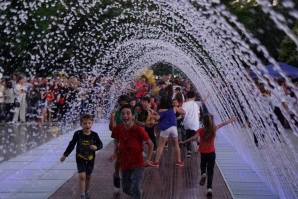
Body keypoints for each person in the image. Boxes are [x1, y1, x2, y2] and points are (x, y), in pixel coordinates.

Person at [179, 114, 236, 196]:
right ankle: (209, 188)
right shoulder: (213, 129)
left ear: (204, 122)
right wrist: (232, 119)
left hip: (203, 153)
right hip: (212, 153)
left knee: (203, 166)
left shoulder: (200, 130)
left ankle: (203, 174)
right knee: (211, 171)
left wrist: (183, 142)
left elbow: (193, 138)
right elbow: (224, 123)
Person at [108, 104, 153, 199]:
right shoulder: (119, 129)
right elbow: (116, 138)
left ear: (133, 116)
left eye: (128, 113)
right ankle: (137, 193)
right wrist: (114, 153)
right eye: (123, 114)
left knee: (136, 185)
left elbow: (151, 144)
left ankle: (137, 194)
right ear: (120, 116)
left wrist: (148, 159)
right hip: (125, 163)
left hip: (138, 163)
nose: (125, 116)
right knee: (126, 189)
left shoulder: (138, 130)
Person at [60, 114, 103, 199]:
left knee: (88, 176)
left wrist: (96, 147)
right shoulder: (78, 134)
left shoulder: (94, 135)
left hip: (91, 158)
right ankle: (82, 195)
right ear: (81, 124)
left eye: (89, 123)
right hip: (80, 158)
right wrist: (65, 155)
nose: (87, 125)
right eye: (85, 123)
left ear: (92, 123)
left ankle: (86, 191)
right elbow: (71, 144)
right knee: (82, 176)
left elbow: (100, 144)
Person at [148, 96, 186, 167]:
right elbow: (184, 112)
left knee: (161, 146)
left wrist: (150, 115)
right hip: (173, 128)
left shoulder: (160, 110)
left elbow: (158, 117)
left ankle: (156, 162)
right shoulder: (173, 109)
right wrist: (176, 107)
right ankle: (179, 161)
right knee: (176, 144)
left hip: (165, 129)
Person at [182, 91, 210, 158]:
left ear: (186, 96)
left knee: (188, 137)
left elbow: (183, 114)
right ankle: (195, 144)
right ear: (194, 97)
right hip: (195, 123)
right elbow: (203, 102)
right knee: (194, 135)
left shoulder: (184, 104)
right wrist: (208, 96)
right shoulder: (196, 104)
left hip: (187, 122)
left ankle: (189, 151)